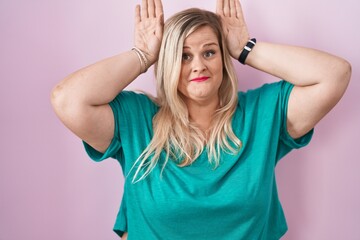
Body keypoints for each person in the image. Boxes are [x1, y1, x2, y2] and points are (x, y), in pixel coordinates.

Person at [51, 0, 351, 239]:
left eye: (209, 52)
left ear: (223, 59)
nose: (198, 66)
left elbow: (334, 75)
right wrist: (143, 54)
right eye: (183, 56)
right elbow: (68, 99)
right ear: (168, 62)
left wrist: (246, 49)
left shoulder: (263, 114)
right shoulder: (137, 120)